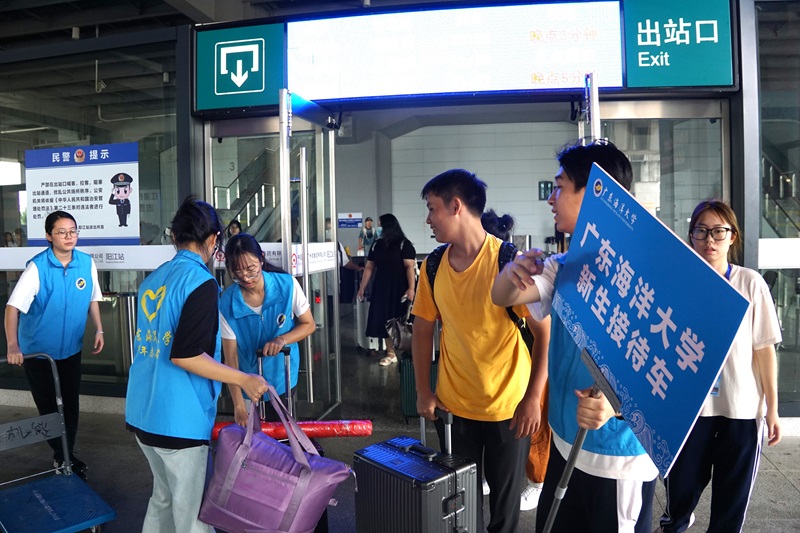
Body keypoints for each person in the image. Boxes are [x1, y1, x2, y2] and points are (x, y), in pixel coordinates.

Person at [491, 141, 658, 533]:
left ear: (597, 192)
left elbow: (666, 370)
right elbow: (501, 297)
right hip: (566, 446)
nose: (551, 198)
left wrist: (617, 408)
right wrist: (512, 272)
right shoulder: (563, 265)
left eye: (560, 187)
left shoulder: (647, 276)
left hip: (619, 459)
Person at [125, 197, 268, 533]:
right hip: (179, 418)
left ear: (175, 236)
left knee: (163, 499)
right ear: (214, 239)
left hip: (143, 412)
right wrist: (243, 379)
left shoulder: (154, 279)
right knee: (193, 515)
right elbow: (186, 355)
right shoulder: (201, 283)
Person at [411, 170, 536, 533]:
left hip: (508, 407)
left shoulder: (508, 262)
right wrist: (423, 391)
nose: (428, 219)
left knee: (504, 510)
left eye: (432, 208)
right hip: (454, 408)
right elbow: (422, 329)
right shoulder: (433, 266)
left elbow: (544, 335)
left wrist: (532, 399)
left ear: (456, 206)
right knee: (458, 508)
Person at [656, 200, 782, 533]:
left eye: (718, 231)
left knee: (731, 499)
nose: (709, 239)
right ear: (691, 236)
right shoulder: (679, 285)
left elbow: (764, 350)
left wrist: (772, 409)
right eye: (701, 231)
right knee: (680, 489)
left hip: (740, 410)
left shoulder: (750, 283)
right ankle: (676, 524)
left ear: (732, 236)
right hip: (691, 410)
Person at [4, 210, 104, 479]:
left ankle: (65, 455)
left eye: (73, 231)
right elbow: (12, 308)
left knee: (70, 404)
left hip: (70, 349)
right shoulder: (37, 268)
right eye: (61, 232)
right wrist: (13, 345)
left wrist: (99, 328)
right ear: (49, 236)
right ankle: (64, 456)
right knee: (49, 407)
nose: (69, 236)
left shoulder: (86, 263)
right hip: (39, 353)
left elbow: (93, 297)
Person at [481, 209, 552, 511]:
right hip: (494, 371)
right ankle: (495, 475)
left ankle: (537, 482)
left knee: (534, 427)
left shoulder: (515, 272)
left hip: (529, 360)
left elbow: (543, 331)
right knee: (503, 431)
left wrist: (533, 393)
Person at [219, 233, 317, 426]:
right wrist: (238, 404)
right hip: (249, 383)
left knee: (285, 433)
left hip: (284, 376)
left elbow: (309, 324)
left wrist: (282, 339)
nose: (245, 277)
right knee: (255, 438)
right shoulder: (226, 304)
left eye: (251, 269)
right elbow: (231, 358)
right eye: (237, 272)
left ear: (261, 259)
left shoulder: (287, 285)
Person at [357, 214, 416, 366]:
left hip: (400, 287)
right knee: (384, 318)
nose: (378, 229)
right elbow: (369, 267)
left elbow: (409, 267)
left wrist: (411, 288)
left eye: (380, 225)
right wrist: (362, 287)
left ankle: (407, 350)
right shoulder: (377, 245)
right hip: (381, 287)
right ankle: (390, 353)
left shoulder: (404, 244)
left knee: (400, 319)